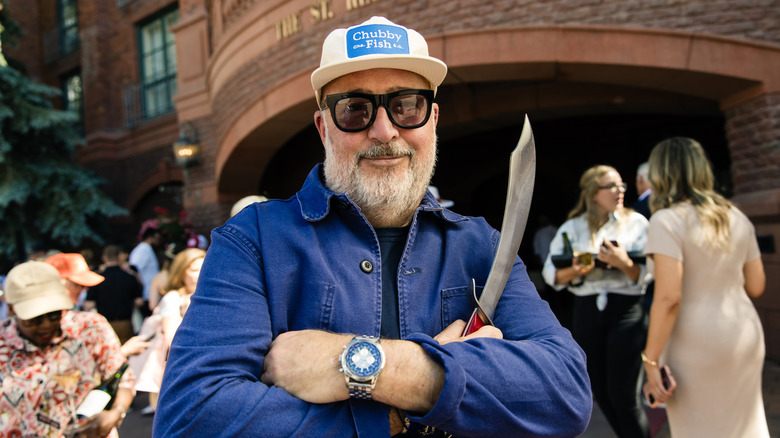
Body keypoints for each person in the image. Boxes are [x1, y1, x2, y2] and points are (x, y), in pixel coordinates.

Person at [154, 16, 591, 437]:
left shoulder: (483, 245)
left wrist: (372, 367)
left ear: (432, 120)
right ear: (324, 126)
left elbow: (565, 394)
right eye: (355, 109)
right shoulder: (254, 241)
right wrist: (408, 410)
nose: (384, 131)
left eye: (407, 106)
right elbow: (191, 417)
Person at [641, 137, 769, 437]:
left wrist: (650, 360)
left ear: (661, 174)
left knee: (697, 428)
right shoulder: (735, 216)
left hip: (695, 341)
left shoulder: (666, 221)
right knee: (747, 425)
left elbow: (669, 298)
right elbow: (757, 285)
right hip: (744, 333)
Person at [542, 164, 651, 438]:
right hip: (587, 309)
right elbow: (551, 274)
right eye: (612, 186)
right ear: (593, 193)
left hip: (625, 308)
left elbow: (649, 275)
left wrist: (624, 263)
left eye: (622, 185)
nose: (620, 190)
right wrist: (577, 269)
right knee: (600, 392)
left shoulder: (636, 223)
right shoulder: (572, 227)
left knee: (624, 394)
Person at [0, 261, 134, 437]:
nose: (46, 324)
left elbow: (123, 379)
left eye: (54, 314)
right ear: (12, 309)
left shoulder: (91, 328)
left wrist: (115, 413)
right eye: (34, 319)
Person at [131, 248, 206, 416]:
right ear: (181, 273)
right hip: (178, 371)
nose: (201, 273)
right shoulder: (173, 299)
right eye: (194, 270)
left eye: (204, 267)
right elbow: (173, 340)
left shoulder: (209, 295)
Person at [85, 245, 145, 344]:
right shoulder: (129, 278)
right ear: (119, 256)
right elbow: (139, 302)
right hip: (125, 324)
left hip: (105, 325)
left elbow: (88, 304)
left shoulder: (97, 279)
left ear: (103, 257)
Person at [129, 227, 162, 317]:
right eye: (156, 238)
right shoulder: (143, 249)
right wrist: (140, 286)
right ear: (150, 237)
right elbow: (133, 268)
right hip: (146, 293)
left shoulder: (146, 248)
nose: (158, 241)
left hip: (149, 292)